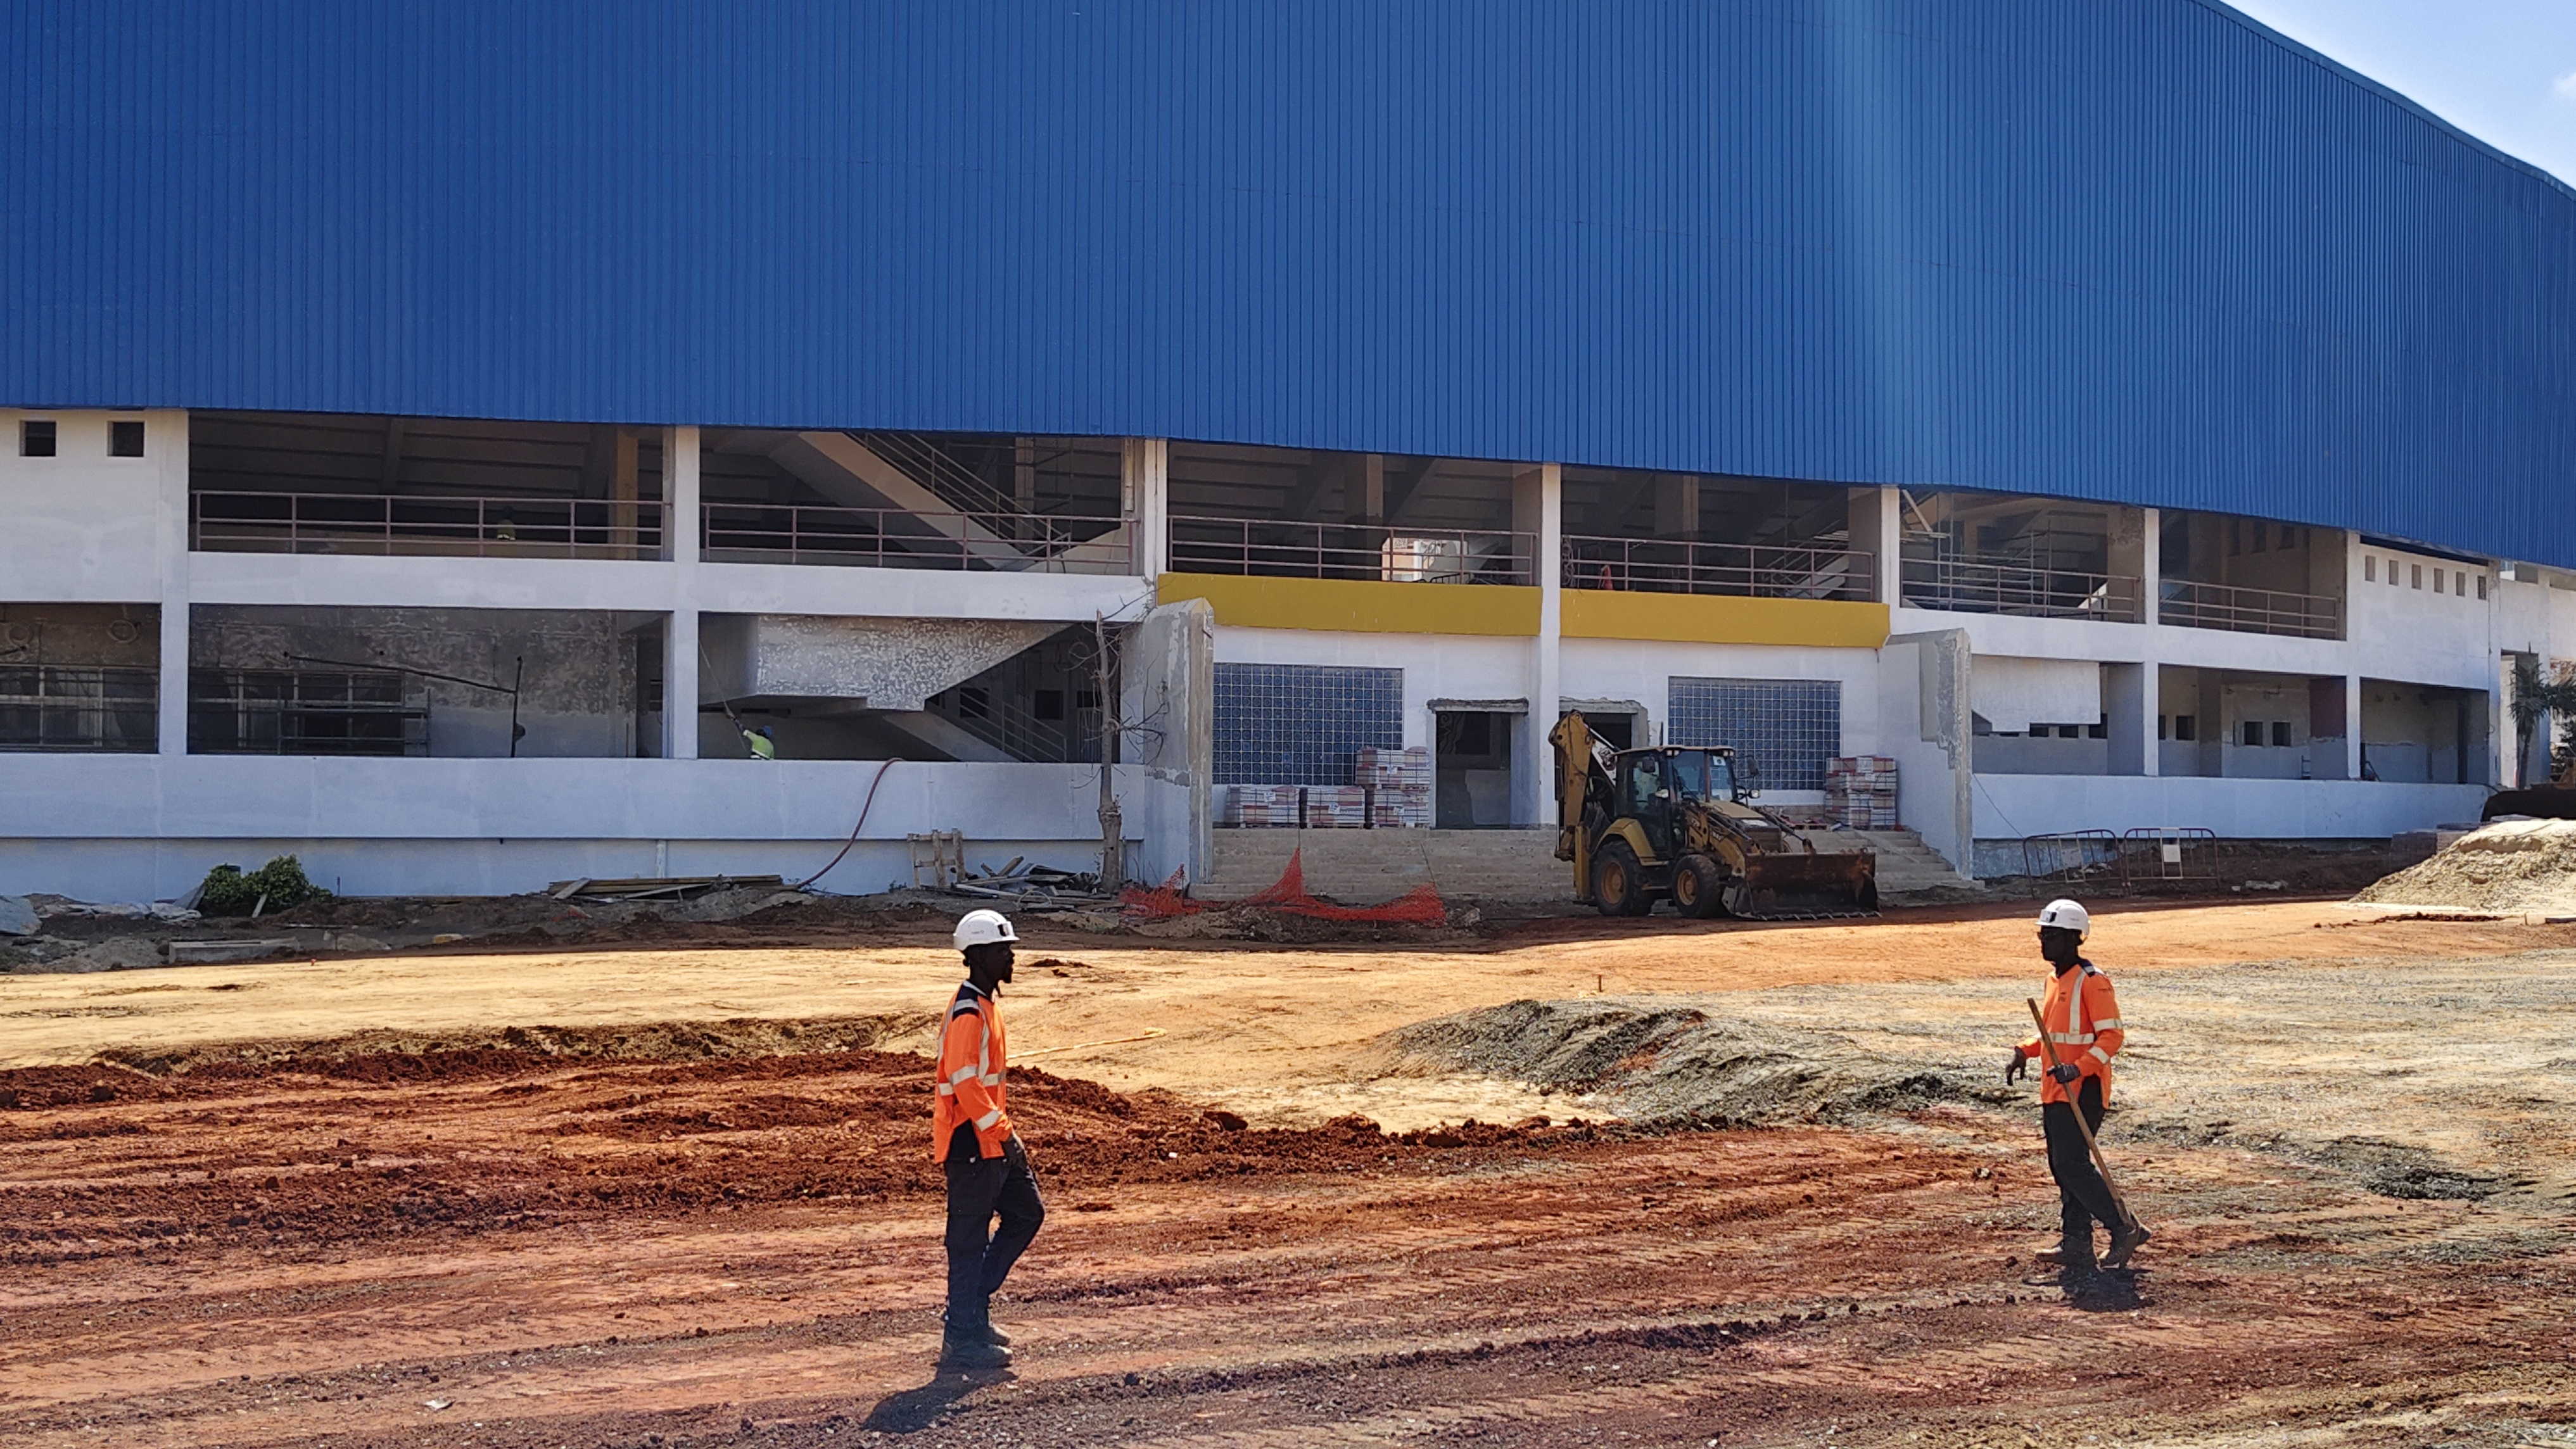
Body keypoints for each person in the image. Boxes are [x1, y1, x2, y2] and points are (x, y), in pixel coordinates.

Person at [2003, 898, 2147, 1281]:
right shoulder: (2054, 980)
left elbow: (2112, 1037)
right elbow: (2055, 1036)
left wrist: (2078, 1069)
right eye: (2042, 935)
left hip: (2083, 1090)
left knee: (2071, 1164)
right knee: (2063, 1165)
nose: (2043, 942)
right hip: (2056, 1089)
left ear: (2073, 939)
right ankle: (2077, 1241)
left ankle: (2123, 1226)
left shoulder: (2092, 980)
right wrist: (2025, 1050)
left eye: (2051, 936)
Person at [932, 908, 1044, 1369]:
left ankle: (971, 1308)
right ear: (978, 956)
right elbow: (964, 1082)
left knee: (1027, 1213)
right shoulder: (968, 1012)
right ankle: (962, 1336)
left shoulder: (985, 1006)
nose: (1011, 958)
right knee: (967, 1242)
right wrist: (1002, 1130)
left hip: (991, 1140)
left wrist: (1001, 1134)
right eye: (1003, 950)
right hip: (972, 1144)